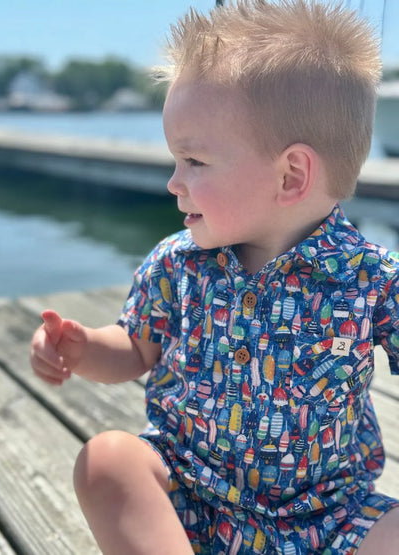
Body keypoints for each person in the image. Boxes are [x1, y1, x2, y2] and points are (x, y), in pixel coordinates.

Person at [30, 1, 399, 553]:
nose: (174, 182)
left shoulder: (371, 278)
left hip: (327, 517)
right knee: (107, 460)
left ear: (292, 175)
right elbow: (135, 349)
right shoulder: (178, 263)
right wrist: (83, 350)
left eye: (194, 163)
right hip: (189, 500)